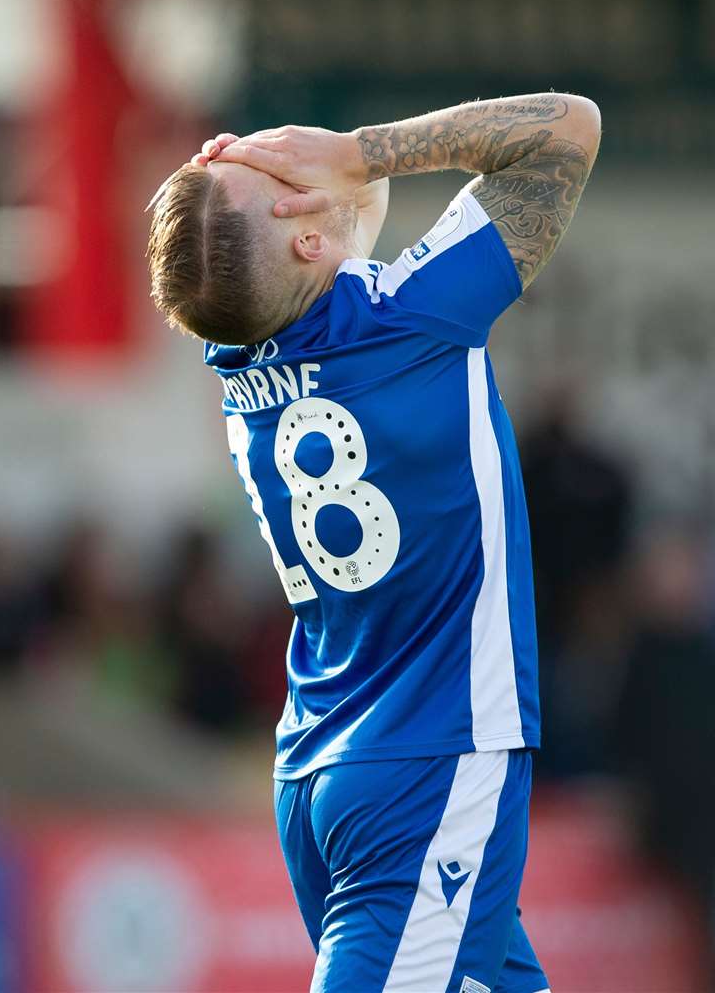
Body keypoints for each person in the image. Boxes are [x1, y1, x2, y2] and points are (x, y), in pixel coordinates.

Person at [144, 94, 599, 993]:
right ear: (309, 243)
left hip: (324, 769)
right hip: (426, 765)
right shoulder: (407, 319)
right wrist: (356, 152)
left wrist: (320, 188)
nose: (286, 157)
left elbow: (302, 260)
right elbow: (566, 130)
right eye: (276, 178)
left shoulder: (239, 360)